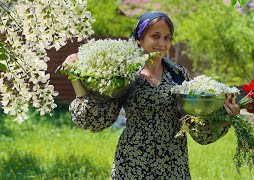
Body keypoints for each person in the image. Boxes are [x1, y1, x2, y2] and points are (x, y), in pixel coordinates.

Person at [64, 11, 240, 179]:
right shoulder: (125, 73)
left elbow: (197, 127)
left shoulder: (179, 74)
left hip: (173, 164)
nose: (162, 43)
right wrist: (75, 78)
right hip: (132, 163)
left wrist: (224, 116)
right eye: (155, 36)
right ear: (140, 39)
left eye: (167, 38)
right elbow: (99, 118)